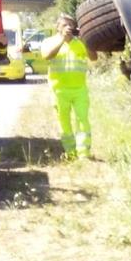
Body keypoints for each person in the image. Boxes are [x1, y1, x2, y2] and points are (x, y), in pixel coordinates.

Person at [41, 14, 96, 159]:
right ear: (57, 27)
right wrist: (62, 41)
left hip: (79, 89)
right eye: (64, 25)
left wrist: (86, 42)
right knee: (64, 122)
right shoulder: (49, 41)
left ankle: (84, 153)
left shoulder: (80, 42)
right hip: (59, 90)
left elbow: (93, 57)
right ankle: (70, 152)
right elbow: (47, 56)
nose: (68, 27)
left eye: (71, 25)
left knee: (83, 119)